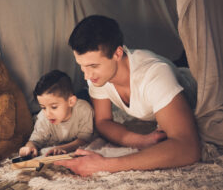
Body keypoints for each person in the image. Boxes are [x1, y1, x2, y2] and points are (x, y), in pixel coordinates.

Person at [55, 15, 200, 176]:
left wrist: (105, 165)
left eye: (93, 66)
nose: (86, 76)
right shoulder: (97, 77)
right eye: (82, 66)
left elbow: (188, 148)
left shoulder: (155, 75)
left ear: (118, 53)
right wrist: (140, 141)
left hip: (193, 79)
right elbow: (103, 121)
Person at [19, 69, 94, 157]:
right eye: (43, 107)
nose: (48, 114)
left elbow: (84, 139)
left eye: (54, 107)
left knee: (85, 94)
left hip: (82, 99)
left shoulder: (84, 110)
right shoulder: (44, 117)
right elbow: (34, 141)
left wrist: (63, 148)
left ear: (71, 101)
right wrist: (29, 147)